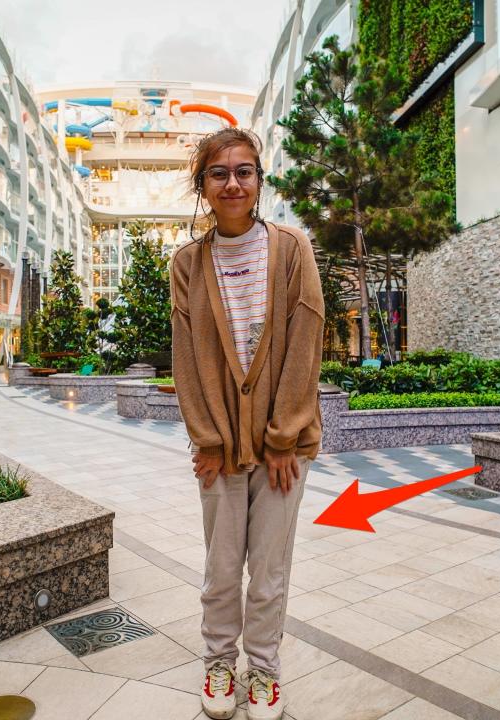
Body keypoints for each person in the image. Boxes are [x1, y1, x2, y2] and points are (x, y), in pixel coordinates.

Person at [170, 127, 324, 720]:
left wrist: (285, 436)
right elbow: (188, 357)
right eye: (219, 173)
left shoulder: (292, 249)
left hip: (284, 446)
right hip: (220, 449)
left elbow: (305, 342)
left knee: (268, 572)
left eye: (244, 171)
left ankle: (263, 673)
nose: (232, 182)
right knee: (220, 567)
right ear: (203, 185)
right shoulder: (188, 264)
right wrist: (206, 439)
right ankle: (217, 663)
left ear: (259, 180)